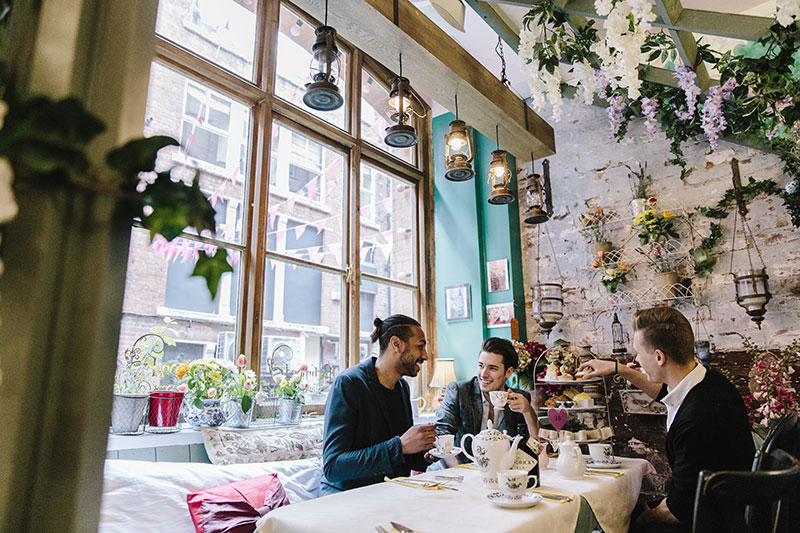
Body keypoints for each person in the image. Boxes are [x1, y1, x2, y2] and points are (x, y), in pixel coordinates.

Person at [578, 307, 754, 532]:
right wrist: (618, 369)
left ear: (659, 357)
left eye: (638, 353)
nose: (637, 359)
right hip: (719, 504)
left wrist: (629, 523)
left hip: (711, 522)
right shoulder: (707, 381)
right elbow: (662, 391)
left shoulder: (697, 420)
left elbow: (677, 513)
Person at [321, 314, 435, 495]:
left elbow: (400, 455)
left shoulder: (402, 387)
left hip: (391, 493)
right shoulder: (348, 384)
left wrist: (425, 452)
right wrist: (400, 446)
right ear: (396, 344)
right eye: (420, 346)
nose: (425, 356)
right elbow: (333, 467)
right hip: (348, 497)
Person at [435, 337, 539, 465]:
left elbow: (534, 443)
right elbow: (442, 432)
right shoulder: (459, 391)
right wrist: (458, 471)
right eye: (481, 366)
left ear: (509, 372)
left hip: (502, 471)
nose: (483, 374)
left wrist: (528, 411)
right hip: (461, 469)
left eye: (492, 368)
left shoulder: (519, 398)